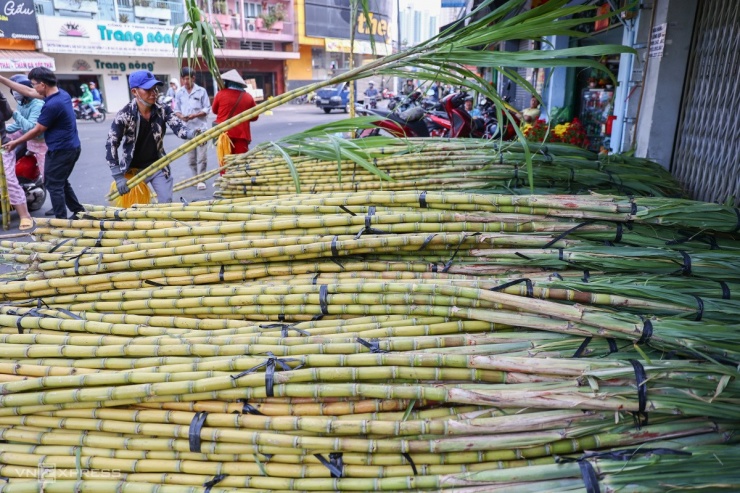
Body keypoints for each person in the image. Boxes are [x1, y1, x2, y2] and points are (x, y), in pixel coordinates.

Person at [0, 67, 85, 220]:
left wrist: (15, 143)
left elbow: (36, 130)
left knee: (53, 184)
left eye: (33, 84)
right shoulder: (60, 94)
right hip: (68, 147)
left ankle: (62, 222)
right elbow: (28, 92)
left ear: (43, 85)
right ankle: (79, 212)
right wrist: (2, 79)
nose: (32, 88)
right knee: (60, 181)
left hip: (62, 150)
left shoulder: (52, 105)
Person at [106, 70, 200, 204]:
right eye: (148, 89)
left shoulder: (163, 109)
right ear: (134, 92)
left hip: (158, 165)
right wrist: (118, 176)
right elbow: (111, 144)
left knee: (165, 202)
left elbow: (179, 128)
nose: (153, 93)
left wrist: (193, 134)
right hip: (133, 170)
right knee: (134, 210)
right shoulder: (124, 115)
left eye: (155, 89)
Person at [2, 75, 47, 230]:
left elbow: (29, 127)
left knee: (10, 179)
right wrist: (7, 128)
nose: (15, 93)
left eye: (16, 89)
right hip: (25, 137)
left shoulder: (37, 104)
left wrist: (14, 115)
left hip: (40, 143)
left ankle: (24, 215)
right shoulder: (22, 104)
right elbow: (15, 126)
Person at [174, 67, 209, 189]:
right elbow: (176, 110)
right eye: (183, 79)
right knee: (191, 158)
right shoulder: (179, 93)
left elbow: (206, 109)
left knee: (202, 157)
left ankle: (202, 180)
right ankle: (195, 178)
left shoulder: (201, 91)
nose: (185, 81)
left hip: (201, 129)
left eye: (188, 78)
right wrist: (181, 116)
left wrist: (195, 115)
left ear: (193, 78)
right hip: (187, 130)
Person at [211, 69, 258, 161]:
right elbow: (255, 117)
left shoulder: (220, 94)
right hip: (242, 136)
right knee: (240, 165)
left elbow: (214, 110)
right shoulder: (248, 97)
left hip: (224, 135)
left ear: (227, 82)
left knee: (225, 163)